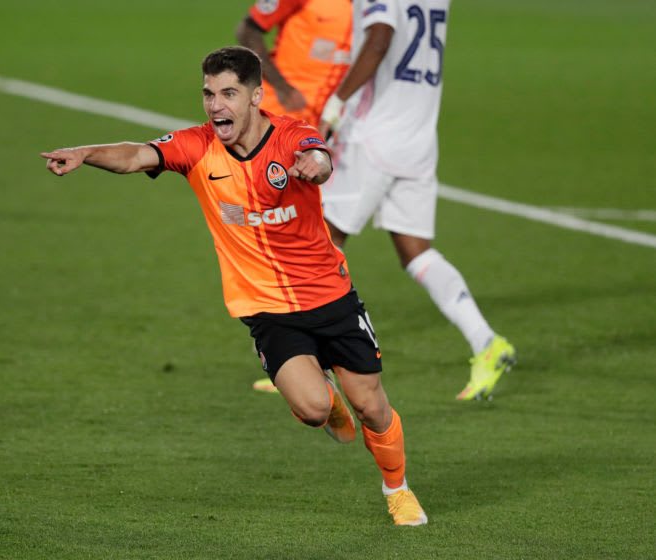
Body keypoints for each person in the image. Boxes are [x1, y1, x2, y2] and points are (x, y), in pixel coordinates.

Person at [41, 46, 427, 526]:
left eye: (228, 93)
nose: (216, 105)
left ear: (255, 97)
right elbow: (138, 154)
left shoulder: (290, 135)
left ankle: (398, 489)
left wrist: (316, 167)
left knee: (371, 405)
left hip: (329, 295)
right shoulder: (197, 146)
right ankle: (327, 406)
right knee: (311, 408)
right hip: (265, 307)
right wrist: (86, 153)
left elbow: (318, 155)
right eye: (208, 94)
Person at [317, 0, 515, 401]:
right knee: (416, 252)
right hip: (419, 137)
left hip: (375, 136)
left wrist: (336, 105)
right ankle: (486, 341)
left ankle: (311, 363)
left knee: (321, 242)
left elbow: (381, 36)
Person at [236, 0, 352, 393]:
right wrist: (282, 88)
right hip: (278, 134)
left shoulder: (376, 7)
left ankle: (304, 359)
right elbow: (248, 31)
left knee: (319, 239)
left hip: (331, 136)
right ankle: (298, 358)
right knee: (279, 242)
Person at [234, 0, 352, 129]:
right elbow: (248, 30)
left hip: (332, 118)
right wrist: (281, 85)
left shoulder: (371, 7)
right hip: (282, 109)